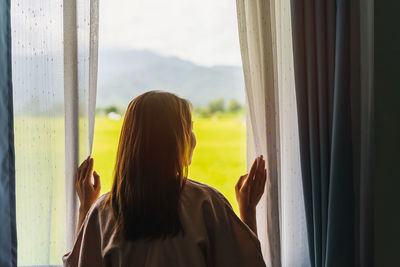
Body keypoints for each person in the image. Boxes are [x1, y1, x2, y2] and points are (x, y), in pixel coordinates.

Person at [63, 91, 267, 267]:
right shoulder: (207, 204)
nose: (193, 138)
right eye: (188, 129)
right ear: (175, 142)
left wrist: (86, 208)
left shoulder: (101, 212)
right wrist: (248, 211)